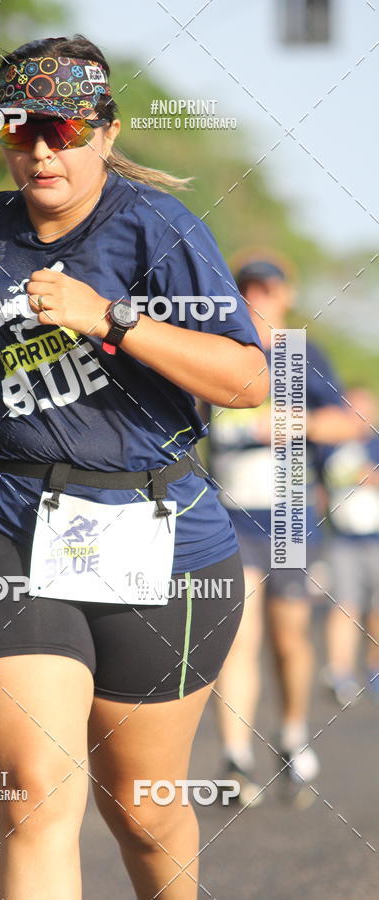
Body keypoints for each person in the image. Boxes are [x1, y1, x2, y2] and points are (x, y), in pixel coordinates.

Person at [0, 34, 269, 899]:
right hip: (4, 523)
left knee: (142, 807)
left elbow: (247, 377)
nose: (42, 150)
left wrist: (113, 319)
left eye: (62, 129)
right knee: (32, 797)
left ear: (104, 130)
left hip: (159, 539)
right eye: (21, 130)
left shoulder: (158, 229)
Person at [205, 257, 366, 807]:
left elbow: (350, 422)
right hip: (230, 516)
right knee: (236, 637)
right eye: (248, 289)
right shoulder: (219, 348)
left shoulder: (299, 356)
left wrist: (299, 423)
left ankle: (293, 733)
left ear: (286, 294)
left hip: (291, 515)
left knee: (288, 639)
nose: (258, 298)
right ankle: (235, 757)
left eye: (268, 289)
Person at [318, 386, 379, 705]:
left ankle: (374, 669)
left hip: (376, 537)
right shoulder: (329, 446)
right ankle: (339, 673)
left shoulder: (375, 444)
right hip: (342, 539)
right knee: (345, 605)